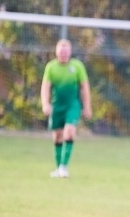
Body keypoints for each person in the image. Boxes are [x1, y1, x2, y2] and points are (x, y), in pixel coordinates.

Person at [40, 39, 91, 178]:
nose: (63, 54)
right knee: (57, 137)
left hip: (72, 105)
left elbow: (84, 87)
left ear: (70, 52)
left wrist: (87, 107)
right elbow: (45, 87)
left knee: (69, 132)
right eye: (61, 51)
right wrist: (45, 104)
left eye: (66, 51)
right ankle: (58, 168)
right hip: (57, 106)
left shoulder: (77, 66)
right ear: (56, 52)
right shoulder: (51, 67)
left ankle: (63, 166)